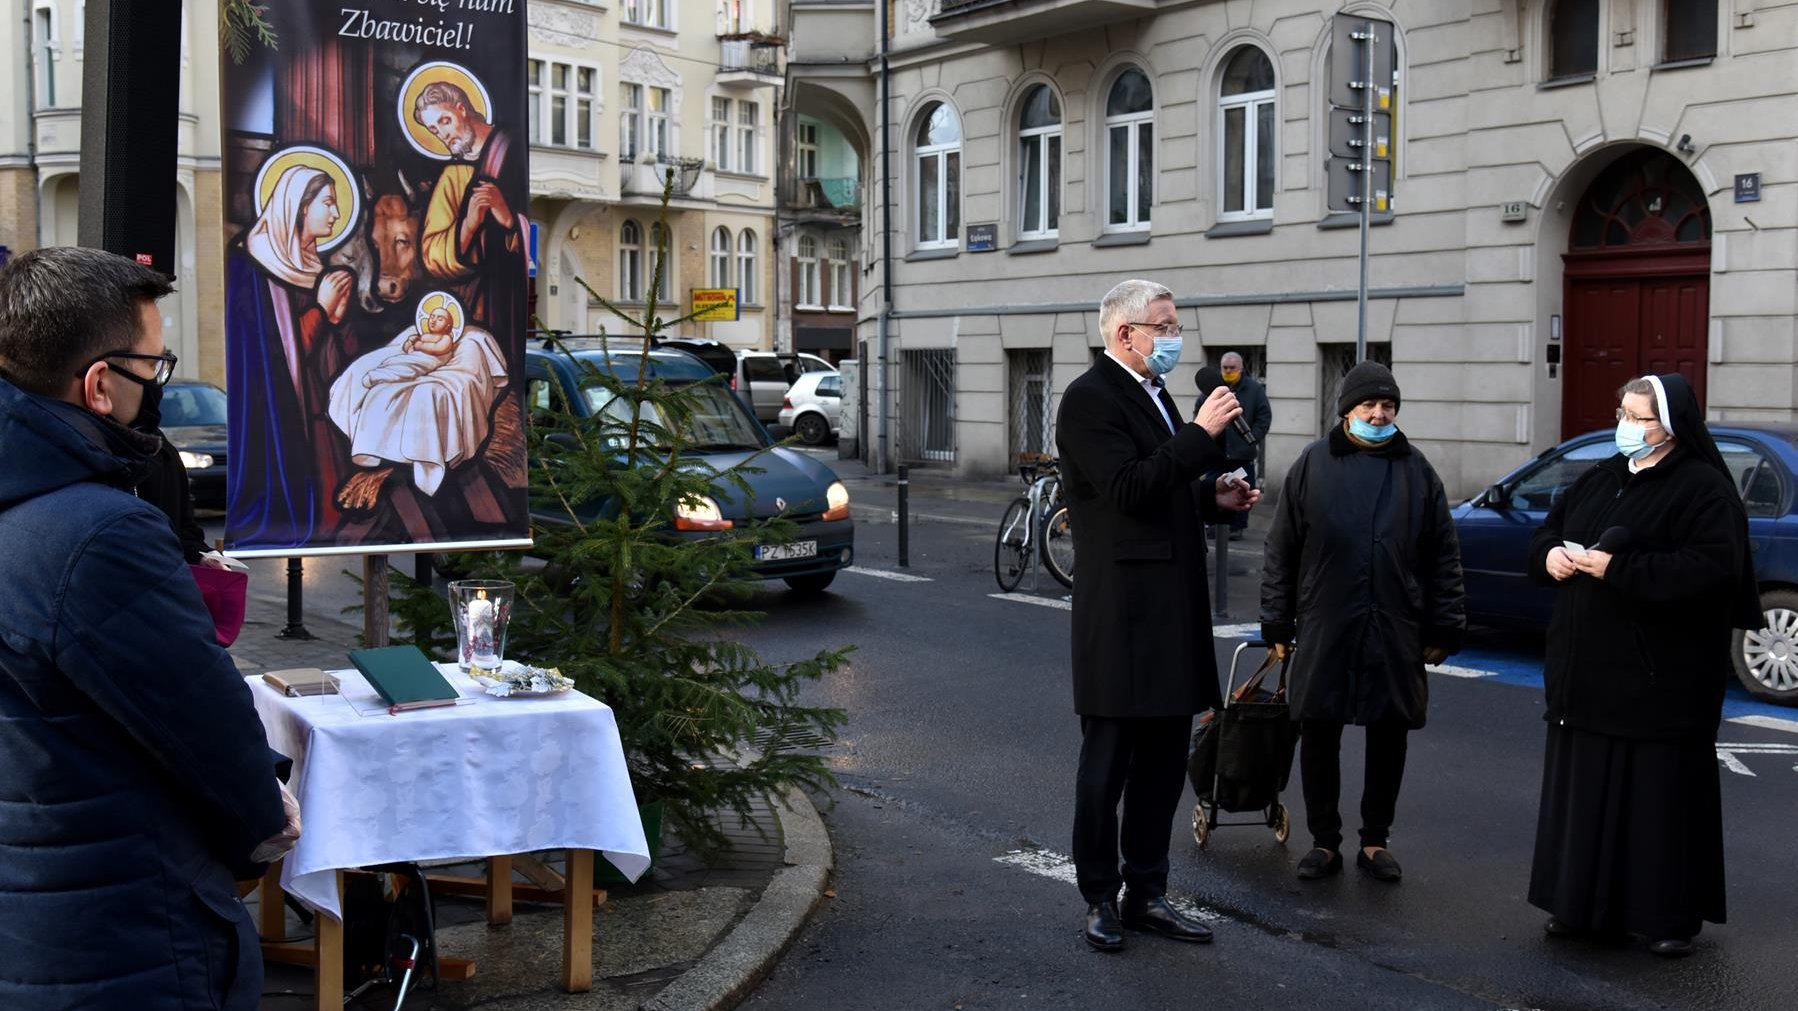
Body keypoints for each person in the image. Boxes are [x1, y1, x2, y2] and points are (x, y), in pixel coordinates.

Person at [0, 247, 299, 1010]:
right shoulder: (102, 534)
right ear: (100, 386)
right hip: (123, 929)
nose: (158, 387)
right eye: (152, 368)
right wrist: (267, 815)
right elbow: (204, 722)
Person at [1056, 279, 1261, 952]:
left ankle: (1147, 890)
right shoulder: (1089, 400)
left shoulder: (1153, 391)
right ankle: (1098, 895)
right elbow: (1127, 490)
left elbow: (1166, 485)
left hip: (1171, 609)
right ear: (1125, 334)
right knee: (1107, 764)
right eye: (1165, 326)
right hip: (1120, 617)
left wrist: (1214, 495)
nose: (1175, 338)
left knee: (1163, 764)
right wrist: (1201, 436)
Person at [1526, 374, 1753, 958]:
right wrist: (1550, 553)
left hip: (1659, 683)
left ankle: (1665, 917)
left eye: (1642, 418)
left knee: (1657, 807)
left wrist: (1617, 571)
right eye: (1624, 412)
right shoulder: (1603, 475)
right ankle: (1580, 910)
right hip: (1586, 677)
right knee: (1585, 799)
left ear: (1673, 426)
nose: (1628, 426)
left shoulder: (1703, 489)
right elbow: (1553, 528)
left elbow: (1711, 573)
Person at [1260, 360, 1466, 884]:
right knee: (1319, 728)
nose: (1378, 413)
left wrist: (1445, 627)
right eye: (1368, 405)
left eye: (1388, 405)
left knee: (1388, 731)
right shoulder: (1313, 463)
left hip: (1394, 622)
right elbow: (1282, 548)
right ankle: (1323, 841)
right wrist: (1276, 620)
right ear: (1346, 410)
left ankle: (1376, 839)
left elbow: (1443, 553)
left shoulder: (1416, 470)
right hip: (1327, 618)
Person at [225, 161, 356, 548]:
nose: (335, 213)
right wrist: (321, 310)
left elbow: (339, 349)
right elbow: (270, 358)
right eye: (328, 203)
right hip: (281, 416)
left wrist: (339, 318)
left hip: (324, 409)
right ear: (300, 207)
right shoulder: (250, 266)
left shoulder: (322, 269)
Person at [415, 78, 528, 358]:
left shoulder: (512, 148)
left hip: (509, 294)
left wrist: (509, 220)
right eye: (434, 129)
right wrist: (468, 226)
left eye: (444, 120)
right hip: (479, 302)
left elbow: (529, 232)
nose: (443, 134)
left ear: (462, 108)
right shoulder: (453, 175)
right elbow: (432, 252)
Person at [1213, 352, 1271, 538]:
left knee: (1242, 490)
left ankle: (1237, 527)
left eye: (1232, 368)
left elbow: (1264, 417)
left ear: (1241, 368)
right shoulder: (1214, 389)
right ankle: (1215, 525)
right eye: (1225, 368)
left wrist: (1251, 438)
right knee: (1215, 488)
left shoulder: (1254, 390)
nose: (1228, 371)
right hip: (1218, 455)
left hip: (1242, 454)